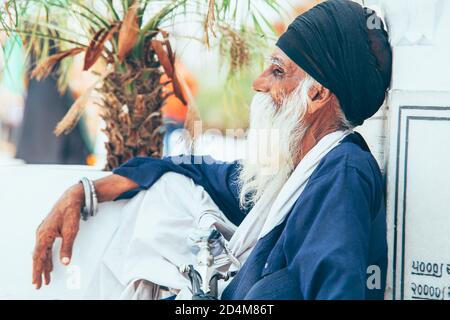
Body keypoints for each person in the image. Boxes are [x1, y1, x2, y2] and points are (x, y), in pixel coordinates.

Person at [32, 0, 392, 300]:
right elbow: (197, 170)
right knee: (170, 191)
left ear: (316, 95)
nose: (259, 82)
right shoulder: (293, 173)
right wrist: (85, 192)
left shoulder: (343, 172)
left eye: (278, 71)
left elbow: (336, 290)